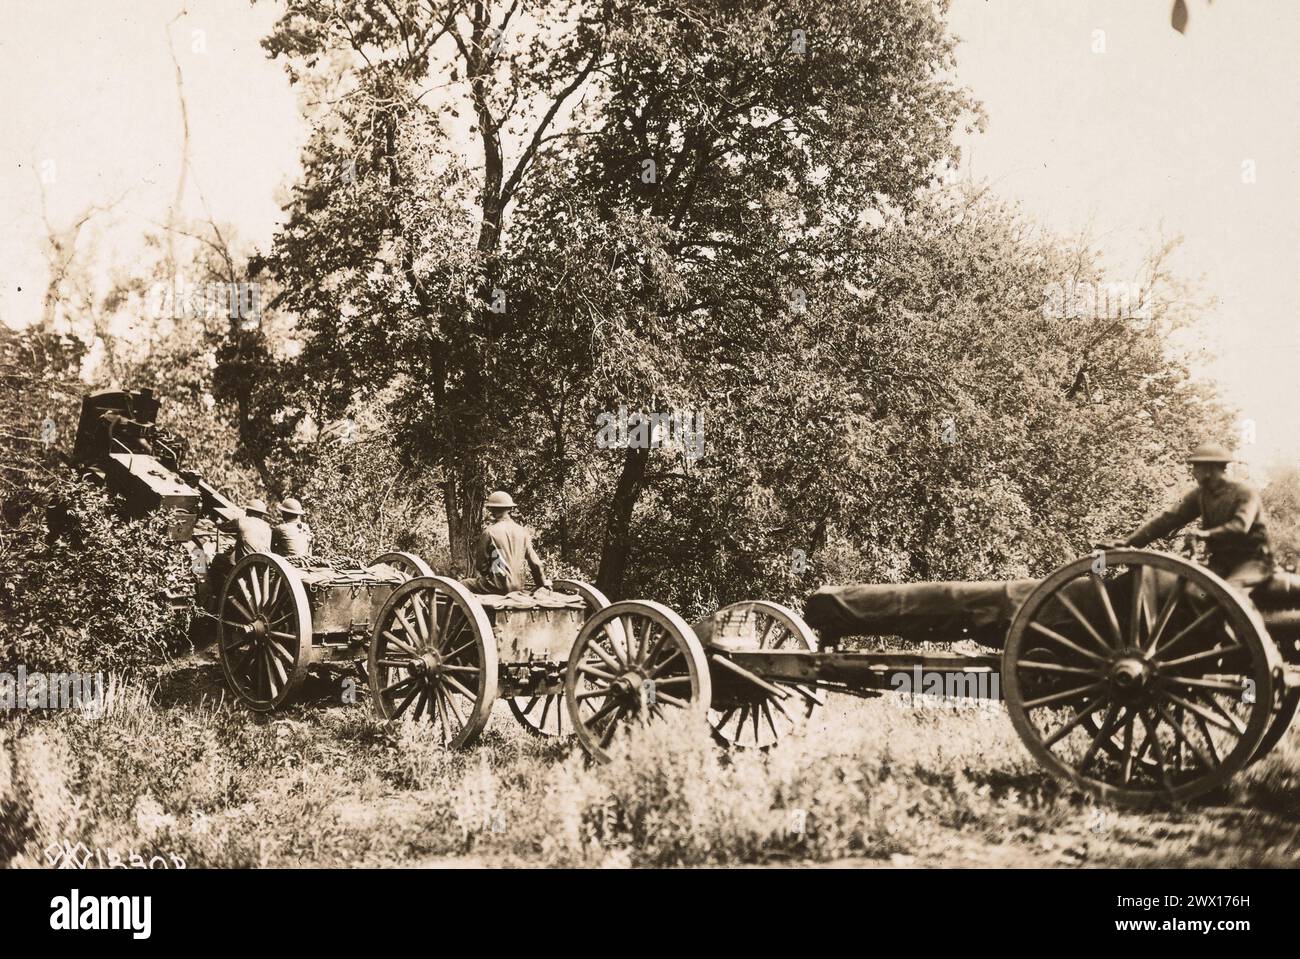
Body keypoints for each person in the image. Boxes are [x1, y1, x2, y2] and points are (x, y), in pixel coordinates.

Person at [1103, 442, 1273, 593]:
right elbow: (1168, 519)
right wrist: (1129, 542)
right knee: (1193, 593)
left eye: (1195, 467)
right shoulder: (1201, 494)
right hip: (1220, 562)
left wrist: (1203, 535)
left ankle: (1250, 630)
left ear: (1209, 469)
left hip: (1253, 561)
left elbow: (1240, 526)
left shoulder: (1244, 492)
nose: (1193, 472)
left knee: (1232, 595)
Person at [463, 490, 551, 594]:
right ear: (509, 508)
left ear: (492, 509)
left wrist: (494, 573)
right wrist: (541, 585)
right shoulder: (523, 532)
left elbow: (481, 566)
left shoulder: (489, 532)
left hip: (496, 587)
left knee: (463, 584)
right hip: (518, 587)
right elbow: (536, 564)